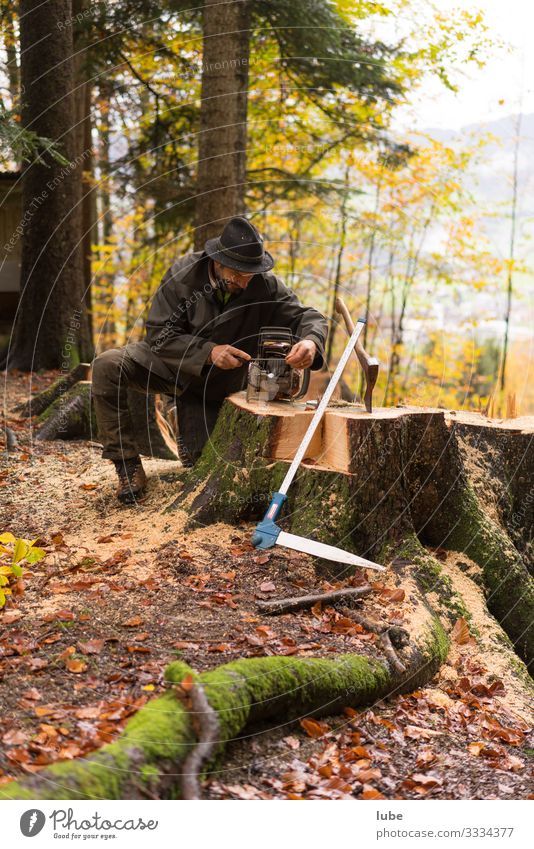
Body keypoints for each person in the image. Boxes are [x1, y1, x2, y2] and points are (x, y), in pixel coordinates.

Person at [91, 216, 328, 503]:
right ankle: (127, 466)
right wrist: (208, 352)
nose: (245, 280)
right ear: (218, 261)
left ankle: (182, 417)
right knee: (107, 365)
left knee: (203, 472)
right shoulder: (183, 275)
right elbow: (158, 334)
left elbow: (308, 316)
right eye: (238, 273)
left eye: (251, 272)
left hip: (216, 387)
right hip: (169, 364)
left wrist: (310, 341)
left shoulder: (264, 286)